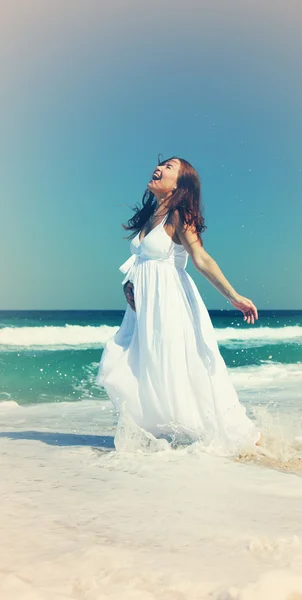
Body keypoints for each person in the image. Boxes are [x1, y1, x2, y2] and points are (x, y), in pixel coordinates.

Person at [96, 155, 261, 454]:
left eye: (168, 167)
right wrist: (129, 286)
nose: (158, 168)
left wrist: (233, 296)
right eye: (160, 165)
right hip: (143, 311)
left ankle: (219, 436)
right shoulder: (151, 216)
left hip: (169, 304)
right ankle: (160, 437)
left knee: (178, 367)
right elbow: (143, 262)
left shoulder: (179, 215)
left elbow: (201, 258)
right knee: (140, 365)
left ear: (179, 185)